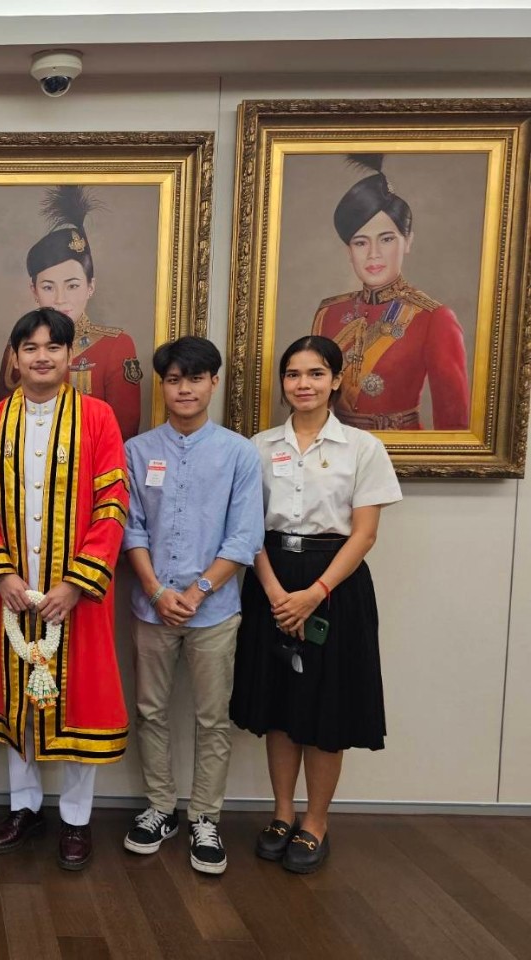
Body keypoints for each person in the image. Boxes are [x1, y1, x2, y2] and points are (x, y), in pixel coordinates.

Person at [231, 335, 402, 874]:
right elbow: (247, 527)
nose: (303, 384)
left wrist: (314, 593)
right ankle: (282, 813)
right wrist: (274, 591)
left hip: (335, 584)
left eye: (315, 373)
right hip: (271, 577)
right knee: (279, 703)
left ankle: (316, 821)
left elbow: (365, 533)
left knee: (328, 705)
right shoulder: (259, 447)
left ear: (335, 380)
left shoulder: (362, 448)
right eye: (293, 374)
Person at [0, 307, 131, 871]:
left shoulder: (97, 416)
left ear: (69, 355)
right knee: (18, 700)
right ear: (15, 357)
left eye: (53, 347)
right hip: (12, 592)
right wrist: (3, 573)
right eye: (30, 347)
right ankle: (24, 807)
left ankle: (77, 818)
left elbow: (112, 503)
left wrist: (77, 582)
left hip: (77, 595)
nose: (41, 357)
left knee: (77, 700)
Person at [121, 336, 264, 875]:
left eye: (196, 378)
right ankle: (160, 807)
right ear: (163, 386)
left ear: (213, 383)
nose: (185, 389)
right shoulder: (137, 451)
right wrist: (157, 590)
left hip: (215, 610)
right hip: (150, 607)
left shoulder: (238, 452)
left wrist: (199, 590)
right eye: (175, 379)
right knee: (150, 711)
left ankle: (206, 816)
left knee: (212, 718)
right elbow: (130, 527)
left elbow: (244, 535)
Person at [310, 154, 470, 430]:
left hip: (401, 448)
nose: (373, 254)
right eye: (361, 243)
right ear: (349, 251)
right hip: (339, 448)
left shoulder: (434, 318)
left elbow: (453, 424)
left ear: (407, 242)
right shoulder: (329, 314)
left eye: (386, 239)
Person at [0, 185, 143, 440]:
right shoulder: (17, 346)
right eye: (48, 287)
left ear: (90, 286)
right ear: (34, 290)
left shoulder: (115, 346)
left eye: (72, 285)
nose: (61, 299)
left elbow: (122, 434)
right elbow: (5, 424)